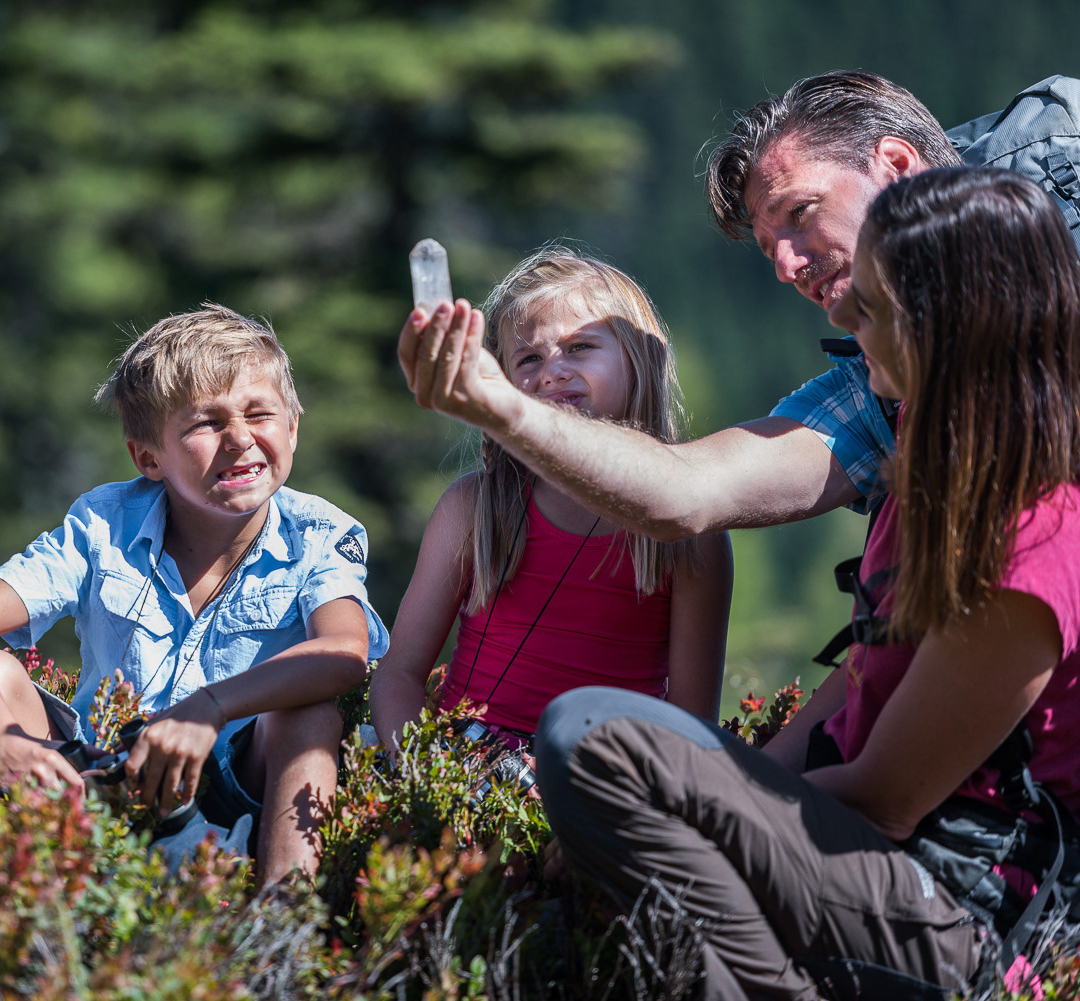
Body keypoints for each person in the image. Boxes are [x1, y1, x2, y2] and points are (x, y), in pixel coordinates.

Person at [533, 167, 1080, 999]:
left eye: (874, 303)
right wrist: (691, 794)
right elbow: (860, 686)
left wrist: (688, 799)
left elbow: (885, 799)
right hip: (882, 873)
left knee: (591, 737)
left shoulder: (1038, 539)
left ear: (951, 322)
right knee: (615, 763)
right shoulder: (936, 464)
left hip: (964, 915)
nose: (843, 315)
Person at [0, 305, 390, 884]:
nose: (240, 438)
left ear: (292, 427)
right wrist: (5, 740)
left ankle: (283, 917)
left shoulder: (321, 533)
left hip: (236, 789)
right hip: (97, 780)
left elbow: (343, 652)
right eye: (205, 424)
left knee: (310, 716)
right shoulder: (103, 523)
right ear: (148, 458)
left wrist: (210, 707)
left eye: (260, 413)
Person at [395, 71, 966, 542]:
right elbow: (690, 490)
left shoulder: (1029, 287)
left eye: (800, 213)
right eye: (769, 248)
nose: (787, 267)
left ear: (896, 166)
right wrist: (500, 405)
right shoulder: (878, 390)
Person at [370, 248, 731, 757]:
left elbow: (691, 729)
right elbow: (400, 675)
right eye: (529, 359)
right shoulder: (474, 508)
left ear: (641, 359)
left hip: (601, 784)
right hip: (461, 773)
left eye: (580, 347)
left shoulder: (692, 538)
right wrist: (423, 775)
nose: (553, 372)